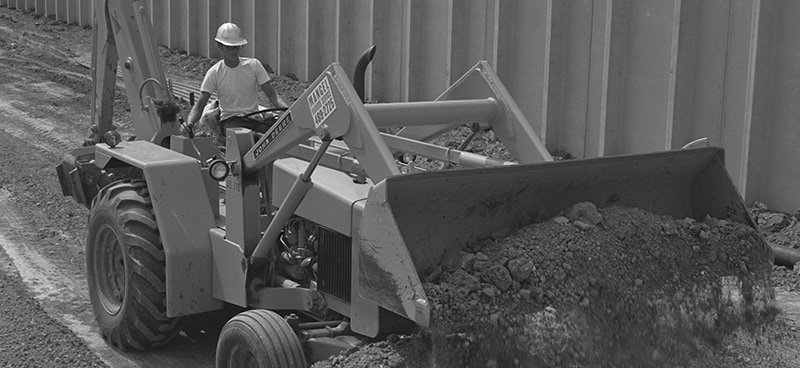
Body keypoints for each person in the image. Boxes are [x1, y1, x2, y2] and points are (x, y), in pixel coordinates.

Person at [183, 22, 288, 145]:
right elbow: (200, 104)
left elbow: (272, 95)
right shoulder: (215, 72)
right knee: (256, 140)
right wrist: (189, 124)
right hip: (231, 122)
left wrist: (287, 111)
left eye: (237, 47)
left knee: (280, 136)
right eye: (230, 47)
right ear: (219, 46)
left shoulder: (254, 66)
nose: (234, 51)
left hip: (254, 118)